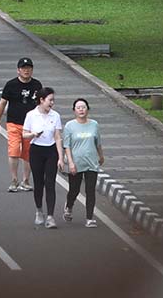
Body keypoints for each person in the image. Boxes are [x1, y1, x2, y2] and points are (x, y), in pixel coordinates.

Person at [0, 58, 41, 193]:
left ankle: (25, 180)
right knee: (14, 150)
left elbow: (40, 105)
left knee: (28, 153)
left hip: (30, 125)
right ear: (18, 70)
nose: (26, 70)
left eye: (29, 68)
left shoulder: (37, 85)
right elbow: (2, 104)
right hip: (13, 123)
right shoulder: (11, 85)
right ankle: (14, 179)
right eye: (23, 68)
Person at [22, 87, 65, 228]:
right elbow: (24, 134)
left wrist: (60, 157)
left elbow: (58, 137)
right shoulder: (31, 115)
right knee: (39, 182)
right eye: (49, 100)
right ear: (41, 100)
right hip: (36, 151)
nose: (52, 103)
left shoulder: (55, 116)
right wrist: (33, 134)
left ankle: (51, 217)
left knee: (50, 182)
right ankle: (39, 210)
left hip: (51, 150)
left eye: (53, 100)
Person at [62, 98, 104, 228]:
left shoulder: (94, 124)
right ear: (74, 110)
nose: (81, 109)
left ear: (88, 109)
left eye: (84, 107)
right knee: (74, 190)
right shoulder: (69, 126)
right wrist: (70, 163)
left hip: (91, 162)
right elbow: (67, 146)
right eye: (78, 107)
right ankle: (69, 207)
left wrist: (101, 156)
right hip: (76, 163)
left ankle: (89, 218)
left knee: (90, 190)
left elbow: (98, 143)